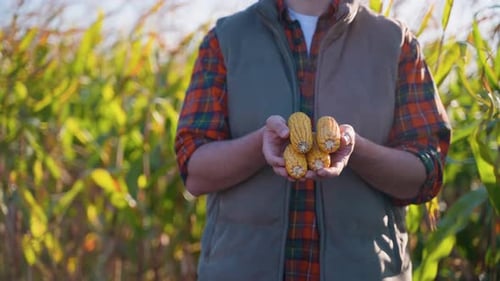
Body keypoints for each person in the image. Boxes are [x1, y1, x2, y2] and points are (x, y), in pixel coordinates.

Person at [174, 0, 451, 280]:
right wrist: (260, 145)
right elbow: (195, 172)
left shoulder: (394, 42)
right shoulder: (226, 39)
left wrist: (356, 151)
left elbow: (426, 174)